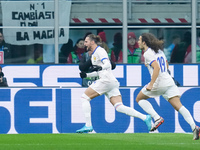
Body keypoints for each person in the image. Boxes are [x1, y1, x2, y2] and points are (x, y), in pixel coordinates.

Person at [76, 34, 152, 133]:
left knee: (84, 98)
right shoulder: (94, 54)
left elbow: (107, 64)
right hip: (110, 81)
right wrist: (87, 75)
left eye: (86, 41)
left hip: (106, 80)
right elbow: (100, 71)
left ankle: (88, 125)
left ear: (92, 42)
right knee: (119, 107)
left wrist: (100, 67)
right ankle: (145, 117)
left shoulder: (100, 51)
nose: (85, 44)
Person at [136, 32, 199, 140]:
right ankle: (195, 127)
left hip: (159, 82)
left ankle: (157, 118)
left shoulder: (147, 53)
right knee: (178, 105)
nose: (138, 41)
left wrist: (151, 84)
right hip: (168, 81)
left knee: (139, 99)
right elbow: (166, 64)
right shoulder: (159, 50)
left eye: (139, 39)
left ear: (144, 42)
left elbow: (157, 68)